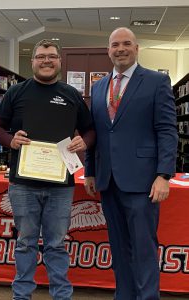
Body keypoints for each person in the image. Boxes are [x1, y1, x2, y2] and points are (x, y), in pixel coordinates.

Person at [0, 39, 95, 300]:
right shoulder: (16, 92)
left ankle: (61, 295)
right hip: (23, 184)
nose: (46, 61)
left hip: (60, 185)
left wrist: (85, 141)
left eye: (51, 57)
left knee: (56, 244)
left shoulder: (71, 95)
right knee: (25, 242)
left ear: (59, 61)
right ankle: (21, 295)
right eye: (41, 57)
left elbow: (91, 130)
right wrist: (9, 140)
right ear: (33, 61)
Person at [84, 27, 178, 300]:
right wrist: (90, 171)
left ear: (137, 48)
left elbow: (167, 130)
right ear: (108, 50)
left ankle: (148, 297)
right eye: (115, 45)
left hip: (143, 182)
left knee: (143, 246)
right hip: (108, 180)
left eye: (127, 44)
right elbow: (96, 133)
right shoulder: (99, 86)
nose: (121, 49)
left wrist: (164, 175)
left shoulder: (156, 82)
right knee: (119, 246)